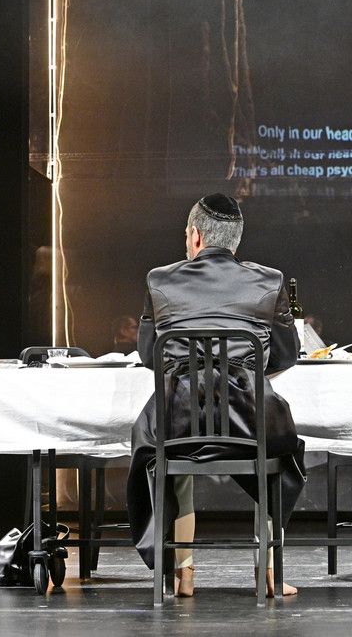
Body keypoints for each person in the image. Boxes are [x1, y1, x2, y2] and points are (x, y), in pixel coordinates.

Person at [127, 193, 306, 598]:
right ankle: (269, 570)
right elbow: (285, 355)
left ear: (195, 236)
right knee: (279, 452)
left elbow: (149, 355)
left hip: (179, 422)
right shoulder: (270, 280)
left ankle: (184, 572)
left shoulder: (159, 280)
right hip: (250, 424)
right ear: (235, 241)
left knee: (168, 449)